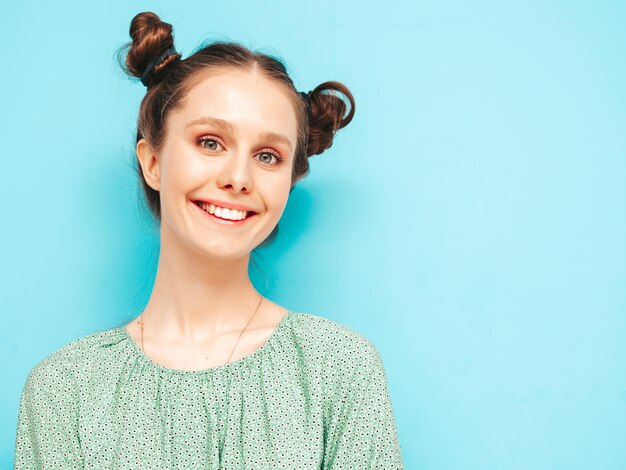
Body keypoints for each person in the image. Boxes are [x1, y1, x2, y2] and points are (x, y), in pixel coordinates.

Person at [13, 11, 404, 469]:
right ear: (153, 161)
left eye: (268, 155)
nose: (238, 178)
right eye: (210, 142)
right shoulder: (63, 391)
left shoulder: (339, 370)